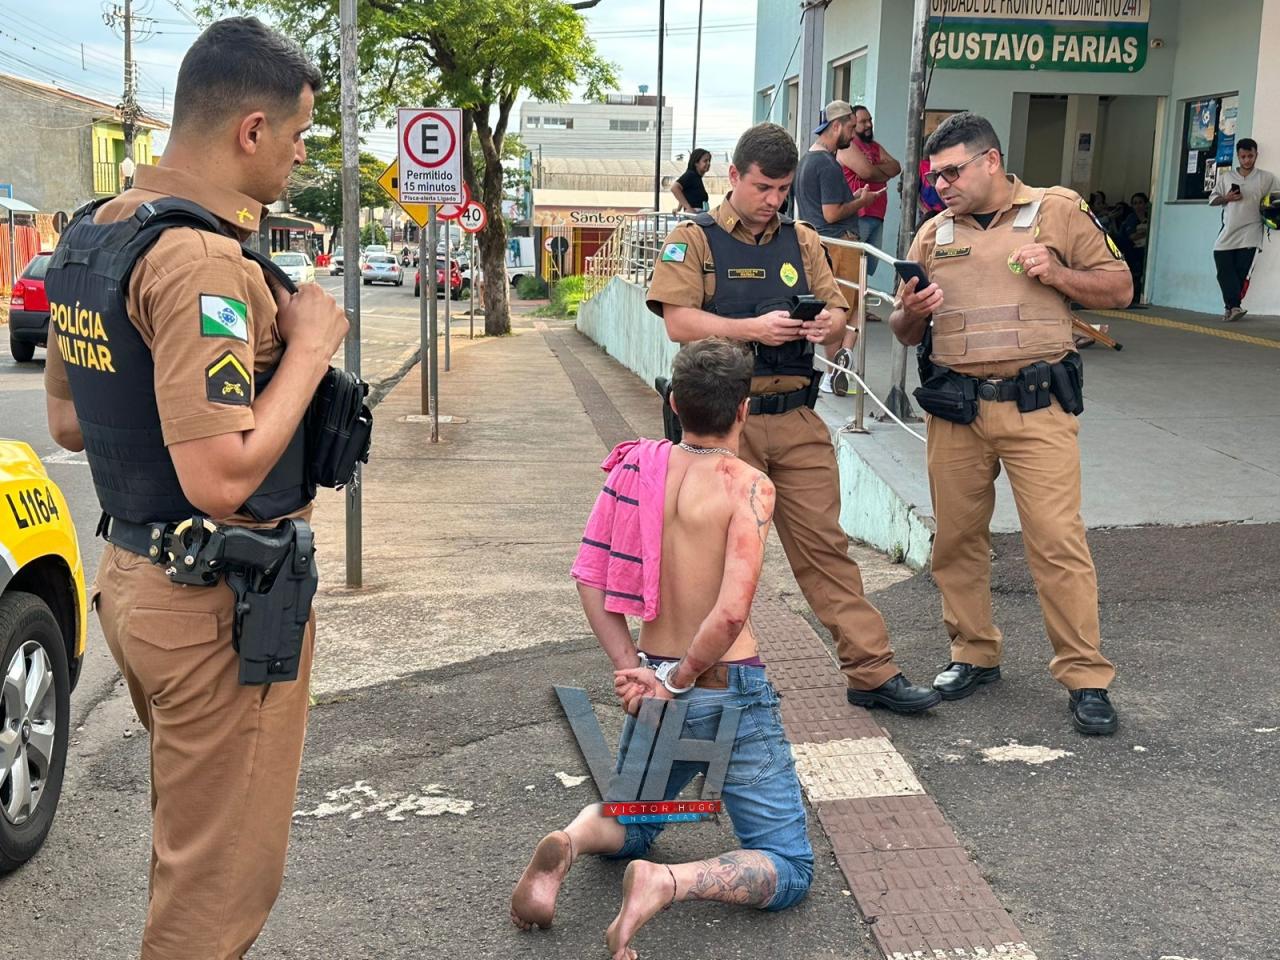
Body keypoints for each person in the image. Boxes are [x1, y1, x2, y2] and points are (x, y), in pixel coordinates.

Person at [42, 18, 348, 958]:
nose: (300, 156)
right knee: (217, 889)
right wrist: (309, 347)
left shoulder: (96, 233)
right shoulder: (203, 262)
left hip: (139, 580)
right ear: (249, 130)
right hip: (218, 605)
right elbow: (220, 477)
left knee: (193, 845)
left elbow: (66, 421)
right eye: (298, 135)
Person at [510, 339, 813, 960]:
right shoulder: (747, 487)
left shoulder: (633, 468)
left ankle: (568, 843)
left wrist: (634, 668)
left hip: (649, 677)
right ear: (743, 411)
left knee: (636, 818)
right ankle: (668, 882)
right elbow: (730, 613)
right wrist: (678, 679)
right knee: (789, 865)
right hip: (723, 686)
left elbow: (591, 578)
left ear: (673, 403)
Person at [645, 122, 940, 714]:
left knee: (825, 548)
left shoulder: (802, 239)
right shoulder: (693, 238)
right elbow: (678, 321)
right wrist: (750, 330)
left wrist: (830, 325)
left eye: (782, 189)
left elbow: (837, 311)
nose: (774, 200)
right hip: (722, 424)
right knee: (707, 557)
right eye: (763, 187)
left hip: (797, 415)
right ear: (733, 177)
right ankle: (695, 677)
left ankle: (871, 672)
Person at [889, 112, 1132, 736]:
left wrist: (1057, 273)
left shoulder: (1058, 211)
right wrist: (911, 314)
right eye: (933, 175)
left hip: (1036, 405)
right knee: (956, 541)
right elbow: (902, 328)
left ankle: (1085, 677)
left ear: (991, 162)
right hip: (957, 411)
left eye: (952, 172)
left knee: (1056, 541)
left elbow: (1119, 288)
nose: (940, 185)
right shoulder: (932, 235)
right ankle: (973, 652)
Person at [793, 100, 880, 396]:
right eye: (851, 127)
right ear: (837, 126)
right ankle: (836, 371)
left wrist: (851, 198)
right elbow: (832, 212)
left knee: (841, 306)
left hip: (818, 243)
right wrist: (862, 202)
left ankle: (840, 364)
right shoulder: (827, 164)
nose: (854, 135)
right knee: (843, 307)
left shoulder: (806, 160)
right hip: (839, 243)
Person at [1209, 138, 1277, 321]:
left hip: (1251, 232)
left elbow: (1276, 200)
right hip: (1228, 231)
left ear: (1256, 155)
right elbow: (1212, 200)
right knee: (1224, 270)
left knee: (1240, 271)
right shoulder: (1226, 178)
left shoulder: (1267, 178)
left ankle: (1233, 308)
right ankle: (1231, 307)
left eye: (1250, 156)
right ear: (1238, 156)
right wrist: (1227, 198)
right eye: (1243, 156)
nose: (1247, 160)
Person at [837, 105, 901, 273]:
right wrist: (876, 170)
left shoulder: (874, 146)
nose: (868, 125)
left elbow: (896, 167)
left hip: (877, 215)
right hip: (859, 215)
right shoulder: (848, 146)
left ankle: (860, 299)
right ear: (852, 124)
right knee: (853, 268)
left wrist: (873, 168)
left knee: (869, 268)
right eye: (863, 121)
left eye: (870, 120)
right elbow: (867, 173)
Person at [672, 148, 712, 213]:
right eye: (705, 161)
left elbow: (684, 193)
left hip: (701, 213)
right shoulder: (691, 175)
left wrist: (678, 209)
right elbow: (674, 188)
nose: (708, 163)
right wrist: (688, 208)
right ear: (696, 163)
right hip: (696, 215)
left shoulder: (696, 178)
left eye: (709, 161)